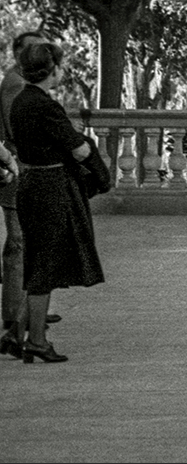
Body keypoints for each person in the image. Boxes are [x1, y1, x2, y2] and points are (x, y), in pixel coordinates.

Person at [4, 42, 104, 363]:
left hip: (31, 181)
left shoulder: (22, 100)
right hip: (49, 186)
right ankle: (35, 340)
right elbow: (78, 149)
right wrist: (95, 161)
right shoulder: (44, 106)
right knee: (43, 264)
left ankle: (18, 332)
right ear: (53, 70)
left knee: (37, 259)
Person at [0, 30, 60, 356]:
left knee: (26, 246)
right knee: (20, 246)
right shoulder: (15, 84)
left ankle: (25, 315)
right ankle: (15, 321)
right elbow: (17, 129)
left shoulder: (23, 83)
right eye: (35, 49)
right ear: (20, 52)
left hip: (23, 170)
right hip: (18, 172)